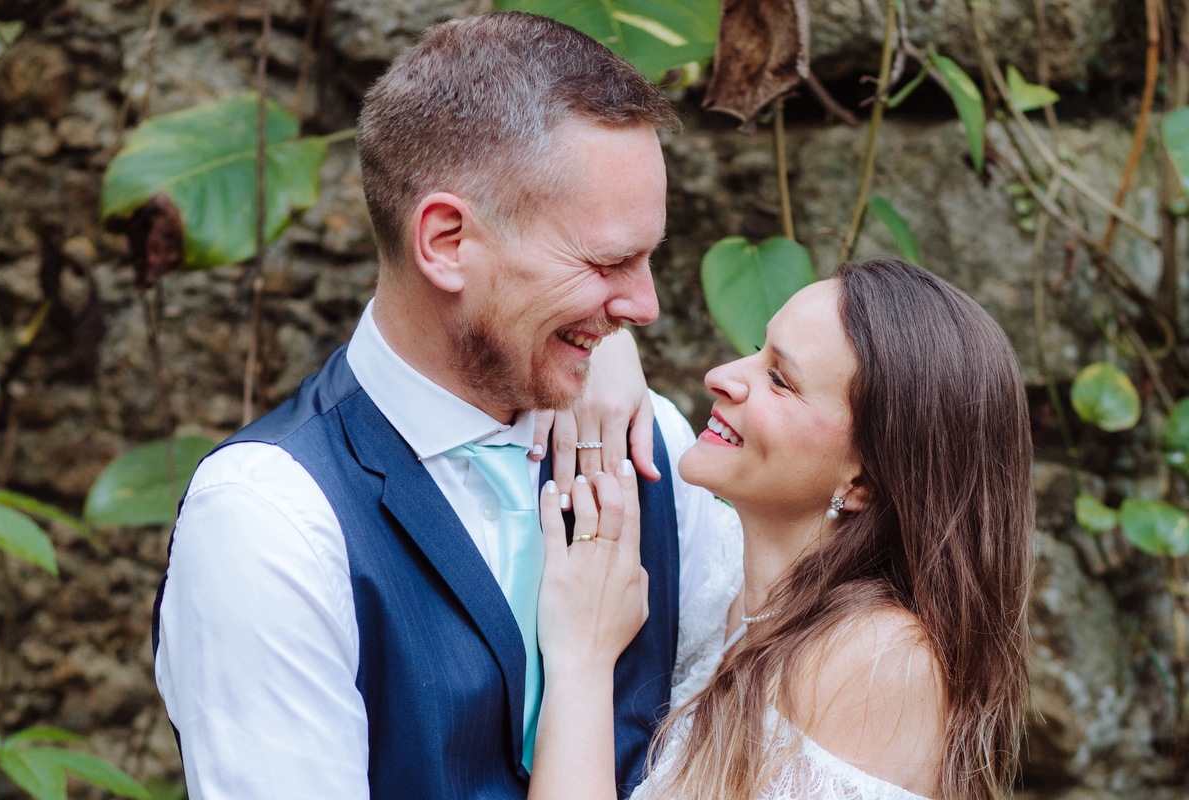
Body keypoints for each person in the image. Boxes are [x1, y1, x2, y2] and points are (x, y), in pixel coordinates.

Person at [151, 12, 724, 799]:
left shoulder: (649, 440)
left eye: (648, 258)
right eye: (609, 260)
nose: (646, 306)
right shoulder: (268, 521)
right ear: (448, 241)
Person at [530, 257, 1034, 800]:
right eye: (756, 350)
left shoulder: (878, 659)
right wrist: (604, 350)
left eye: (779, 380)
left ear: (862, 479)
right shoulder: (731, 578)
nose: (720, 377)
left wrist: (581, 661)